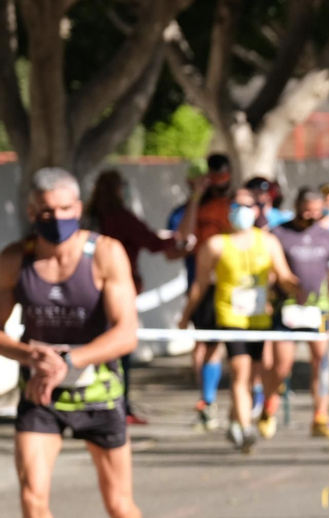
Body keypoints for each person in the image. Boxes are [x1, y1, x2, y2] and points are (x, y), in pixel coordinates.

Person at [0, 168, 151, 518]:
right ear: (31, 213)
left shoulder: (104, 253)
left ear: (78, 208)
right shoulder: (14, 260)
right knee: (32, 495)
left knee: (120, 506)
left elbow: (127, 332)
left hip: (99, 394)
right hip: (42, 396)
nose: (55, 218)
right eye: (45, 211)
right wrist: (30, 354)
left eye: (64, 209)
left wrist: (72, 359)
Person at [180, 185, 301, 450]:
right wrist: (185, 316)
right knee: (240, 371)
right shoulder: (215, 244)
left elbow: (283, 276)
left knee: (255, 376)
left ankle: (237, 419)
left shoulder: (267, 242)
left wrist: (300, 287)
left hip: (259, 319)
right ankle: (246, 429)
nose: (240, 211)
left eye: (246, 205)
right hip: (230, 317)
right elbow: (199, 285)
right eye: (235, 205)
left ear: (256, 209)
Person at [86, 170, 185, 425]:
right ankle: (120, 406)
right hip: (119, 293)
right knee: (121, 346)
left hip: (87, 292)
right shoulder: (120, 217)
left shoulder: (89, 219)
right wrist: (178, 240)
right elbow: (152, 242)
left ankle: (99, 402)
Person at [268, 188, 329, 438]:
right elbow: (272, 272)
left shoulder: (326, 235)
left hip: (318, 309)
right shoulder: (279, 233)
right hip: (287, 308)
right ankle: (269, 408)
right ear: (298, 206)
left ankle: (320, 415)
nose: (312, 215)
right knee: (281, 366)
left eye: (318, 211)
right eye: (308, 209)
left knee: (322, 363)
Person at [176, 154, 237, 432]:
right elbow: (183, 241)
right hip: (202, 286)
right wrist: (196, 197)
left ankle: (243, 400)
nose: (218, 181)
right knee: (204, 345)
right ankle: (207, 400)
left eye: (222, 176)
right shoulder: (190, 208)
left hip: (232, 285)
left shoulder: (235, 205)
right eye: (213, 176)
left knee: (224, 346)